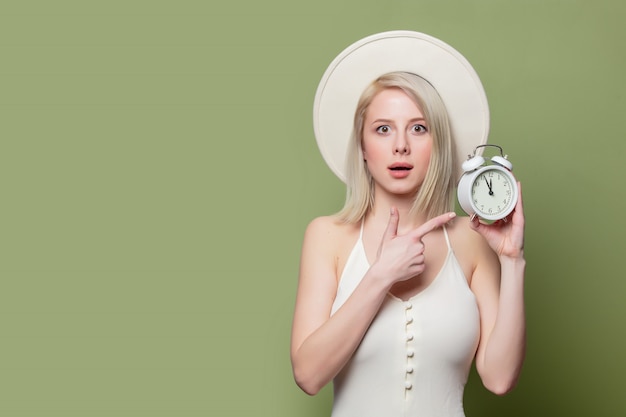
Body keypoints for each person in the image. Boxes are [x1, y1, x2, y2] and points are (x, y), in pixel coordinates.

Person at [290, 31, 526, 417]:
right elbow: (308, 375)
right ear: (363, 148)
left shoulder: (471, 239)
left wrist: (513, 261)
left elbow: (499, 379)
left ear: (439, 144)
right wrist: (380, 275)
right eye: (383, 129)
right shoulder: (327, 236)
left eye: (419, 128)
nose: (401, 145)